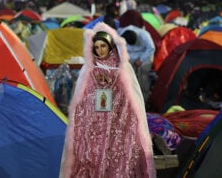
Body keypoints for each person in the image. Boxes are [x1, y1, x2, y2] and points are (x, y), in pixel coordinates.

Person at [60, 22, 155, 178]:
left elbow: (132, 96)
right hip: (95, 120)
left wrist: (118, 102)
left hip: (118, 119)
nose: (100, 50)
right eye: (96, 47)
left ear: (110, 46)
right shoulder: (89, 67)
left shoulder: (123, 67)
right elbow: (82, 96)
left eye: (103, 46)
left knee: (115, 156)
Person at [118, 26, 155, 106]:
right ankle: (130, 99)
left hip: (145, 54)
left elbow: (151, 48)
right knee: (128, 77)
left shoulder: (144, 35)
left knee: (143, 76)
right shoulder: (120, 36)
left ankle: (145, 100)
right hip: (130, 56)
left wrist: (141, 59)